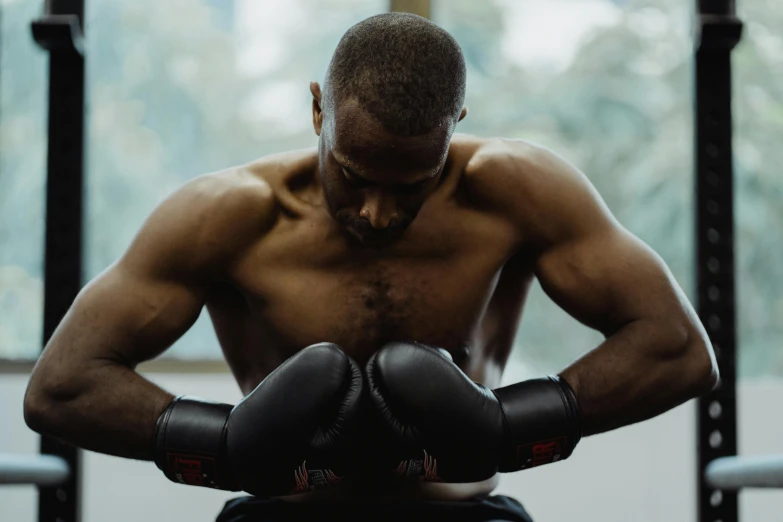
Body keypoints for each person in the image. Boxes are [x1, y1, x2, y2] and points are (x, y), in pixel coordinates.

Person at [22, 12, 718, 522]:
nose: (379, 214)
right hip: (283, 517)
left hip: (463, 517)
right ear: (317, 107)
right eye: (353, 175)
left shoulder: (514, 192)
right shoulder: (228, 214)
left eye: (412, 183)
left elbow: (676, 351)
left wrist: (500, 428)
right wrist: (229, 445)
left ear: (455, 121)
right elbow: (62, 388)